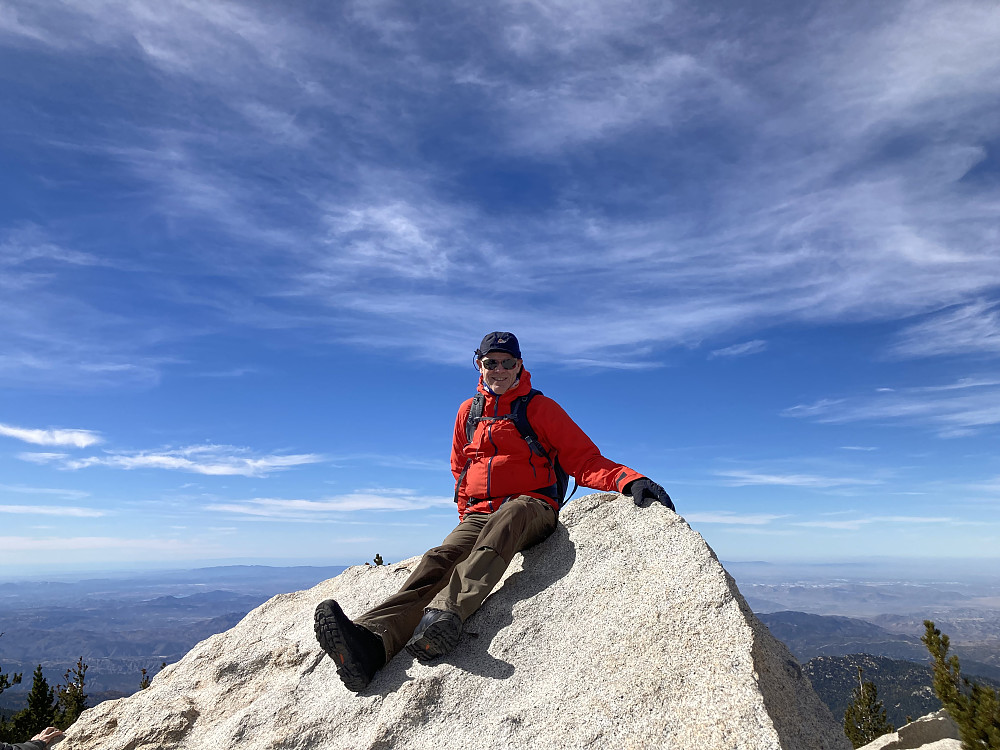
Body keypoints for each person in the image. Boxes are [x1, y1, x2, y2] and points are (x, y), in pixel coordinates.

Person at [314, 331, 673, 692]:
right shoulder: (467, 412)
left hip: (532, 508)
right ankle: (370, 643)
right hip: (480, 513)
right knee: (440, 558)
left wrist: (629, 479)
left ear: (520, 365)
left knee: (511, 514)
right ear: (479, 365)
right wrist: (465, 517)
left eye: (507, 363)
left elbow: (583, 458)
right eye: (491, 363)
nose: (498, 369)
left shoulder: (539, 408)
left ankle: (446, 616)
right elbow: (460, 471)